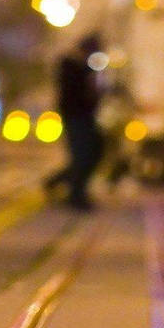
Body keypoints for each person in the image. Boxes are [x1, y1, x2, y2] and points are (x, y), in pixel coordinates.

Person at [51, 33, 104, 210]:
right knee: (83, 155)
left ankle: (59, 182)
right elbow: (75, 95)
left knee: (93, 152)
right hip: (76, 117)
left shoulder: (83, 68)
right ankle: (75, 193)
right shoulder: (71, 66)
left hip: (85, 117)